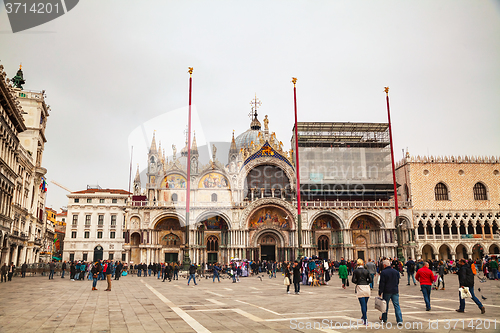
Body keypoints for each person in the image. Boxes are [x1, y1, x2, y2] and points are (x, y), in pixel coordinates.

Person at [379, 259, 403, 324]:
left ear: (384, 265)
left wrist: (380, 291)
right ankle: (400, 320)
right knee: (396, 305)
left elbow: (382, 283)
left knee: (385, 305)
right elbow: (397, 281)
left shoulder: (383, 272)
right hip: (395, 290)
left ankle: (384, 318)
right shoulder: (395, 271)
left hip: (387, 291)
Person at [352, 259, 372, 325]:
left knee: (363, 305)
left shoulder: (355, 271)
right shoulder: (366, 271)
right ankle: (363, 316)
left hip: (360, 288)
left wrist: (358, 282)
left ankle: (365, 320)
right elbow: (370, 280)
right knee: (365, 304)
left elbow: (353, 280)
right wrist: (366, 282)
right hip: (367, 288)